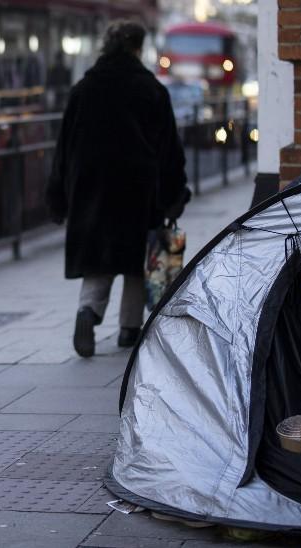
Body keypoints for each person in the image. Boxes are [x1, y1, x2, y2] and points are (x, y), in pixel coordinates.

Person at [47, 20, 189, 358]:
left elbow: (64, 147)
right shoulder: (152, 90)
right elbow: (169, 150)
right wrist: (174, 194)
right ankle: (129, 328)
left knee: (100, 259)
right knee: (138, 261)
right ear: (139, 48)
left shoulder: (83, 89)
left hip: (91, 187)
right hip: (139, 188)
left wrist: (59, 195)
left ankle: (88, 312)